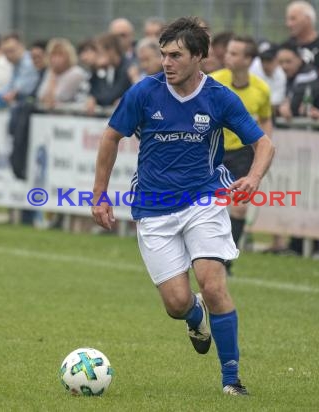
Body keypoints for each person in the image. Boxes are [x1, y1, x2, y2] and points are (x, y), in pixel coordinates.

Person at [91, 16, 274, 395]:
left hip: (203, 200)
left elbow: (264, 144)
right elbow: (110, 138)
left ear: (199, 57)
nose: (167, 63)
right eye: (163, 55)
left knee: (213, 284)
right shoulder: (145, 92)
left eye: (176, 55)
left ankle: (231, 380)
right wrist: (99, 194)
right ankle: (194, 317)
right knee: (176, 303)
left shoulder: (219, 97)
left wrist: (253, 178)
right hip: (154, 207)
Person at [210, 35, 273, 275]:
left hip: (243, 153)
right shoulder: (215, 81)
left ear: (248, 59)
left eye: (235, 53)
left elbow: (266, 118)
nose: (227, 57)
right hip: (212, 151)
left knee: (239, 208)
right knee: (206, 205)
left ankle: (225, 263)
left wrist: (264, 145)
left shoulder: (261, 89)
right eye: (228, 52)